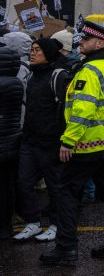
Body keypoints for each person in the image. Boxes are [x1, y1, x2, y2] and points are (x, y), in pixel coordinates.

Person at [40, 20, 104, 266]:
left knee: (67, 193)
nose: (80, 42)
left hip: (89, 144)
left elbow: (83, 111)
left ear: (100, 43)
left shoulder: (90, 72)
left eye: (85, 39)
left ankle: (66, 249)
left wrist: (68, 141)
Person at [13, 38, 69, 243]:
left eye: (37, 50)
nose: (32, 53)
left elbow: (65, 110)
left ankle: (55, 224)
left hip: (51, 143)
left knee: (55, 186)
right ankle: (33, 223)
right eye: (31, 50)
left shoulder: (58, 76)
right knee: (23, 182)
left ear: (48, 53)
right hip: (30, 141)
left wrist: (63, 141)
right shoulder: (31, 76)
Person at [0, 47, 24, 241]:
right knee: (7, 184)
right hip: (11, 138)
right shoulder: (16, 81)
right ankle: (6, 224)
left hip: (2, 139)